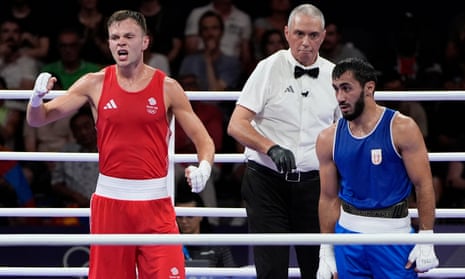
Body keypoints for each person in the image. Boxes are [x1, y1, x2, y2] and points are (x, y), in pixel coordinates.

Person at [26, 9, 215, 279]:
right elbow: (38, 120)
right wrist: (36, 99)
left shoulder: (168, 87)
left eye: (129, 36)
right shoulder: (94, 83)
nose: (121, 42)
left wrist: (204, 168)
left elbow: (204, 140)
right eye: (115, 37)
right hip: (111, 204)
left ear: (145, 42)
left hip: (156, 204)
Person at [227, 4, 341, 279]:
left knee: (318, 271)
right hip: (267, 183)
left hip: (316, 188)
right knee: (271, 270)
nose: (306, 42)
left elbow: (347, 130)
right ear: (287, 33)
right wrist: (270, 147)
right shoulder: (268, 68)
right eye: (299, 33)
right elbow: (236, 124)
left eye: (313, 35)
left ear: (324, 36)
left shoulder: (335, 75)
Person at [315, 57, 439, 279]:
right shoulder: (328, 138)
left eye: (346, 88)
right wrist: (326, 250)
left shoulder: (402, 128)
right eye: (336, 89)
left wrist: (426, 236)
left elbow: (423, 184)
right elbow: (328, 197)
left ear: (369, 88)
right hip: (347, 237)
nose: (340, 97)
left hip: (393, 237)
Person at [175, 183, 237, 273]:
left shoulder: (218, 246)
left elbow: (233, 275)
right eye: (180, 217)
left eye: (189, 216)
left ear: (201, 216)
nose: (184, 221)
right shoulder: (171, 246)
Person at [50, 106, 98, 208]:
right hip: (75, 207)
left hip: (105, 206)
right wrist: (75, 196)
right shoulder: (67, 152)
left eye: (86, 126)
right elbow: (56, 184)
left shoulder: (108, 150)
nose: (83, 132)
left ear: (96, 127)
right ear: (73, 134)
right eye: (78, 129)